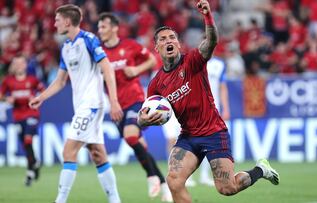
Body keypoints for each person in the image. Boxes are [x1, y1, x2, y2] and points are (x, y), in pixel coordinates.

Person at [138, 1, 280, 202]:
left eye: (172, 37)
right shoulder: (156, 84)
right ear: (157, 47)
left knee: (227, 188)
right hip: (188, 136)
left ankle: (260, 170)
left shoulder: (193, 60)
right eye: (162, 39)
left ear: (178, 43)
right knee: (174, 181)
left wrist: (208, 17)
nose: (168, 40)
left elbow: (211, 41)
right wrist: (144, 120)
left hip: (213, 132)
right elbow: (143, 118)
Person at [29, 4, 123, 203]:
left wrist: (113, 101)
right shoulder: (66, 47)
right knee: (97, 153)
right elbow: (61, 81)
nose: (54, 24)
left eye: (57, 20)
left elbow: (107, 67)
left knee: (68, 150)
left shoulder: (88, 40)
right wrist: (42, 97)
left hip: (92, 104)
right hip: (81, 106)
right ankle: (115, 200)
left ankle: (60, 200)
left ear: (67, 21)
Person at [97, 12, 173, 202]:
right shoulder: (98, 51)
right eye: (99, 27)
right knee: (138, 145)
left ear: (114, 28)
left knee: (130, 136)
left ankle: (150, 177)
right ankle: (164, 185)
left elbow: (152, 60)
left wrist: (136, 70)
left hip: (136, 100)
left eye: (103, 27)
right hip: (116, 105)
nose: (100, 31)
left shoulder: (129, 45)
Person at [164, 56, 231, 187]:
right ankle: (180, 175)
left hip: (211, 109)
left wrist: (226, 107)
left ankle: (204, 176)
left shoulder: (219, 65)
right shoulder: (191, 62)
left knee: (206, 142)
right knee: (178, 141)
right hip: (187, 109)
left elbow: (223, 86)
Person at [0, 55, 44, 186]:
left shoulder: (33, 80)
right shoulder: (8, 81)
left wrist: (36, 98)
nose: (18, 66)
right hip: (18, 116)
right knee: (25, 144)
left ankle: (30, 172)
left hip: (32, 114)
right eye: (16, 63)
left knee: (27, 139)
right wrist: (7, 100)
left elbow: (42, 91)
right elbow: (1, 95)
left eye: (20, 63)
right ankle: (34, 162)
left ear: (25, 65)